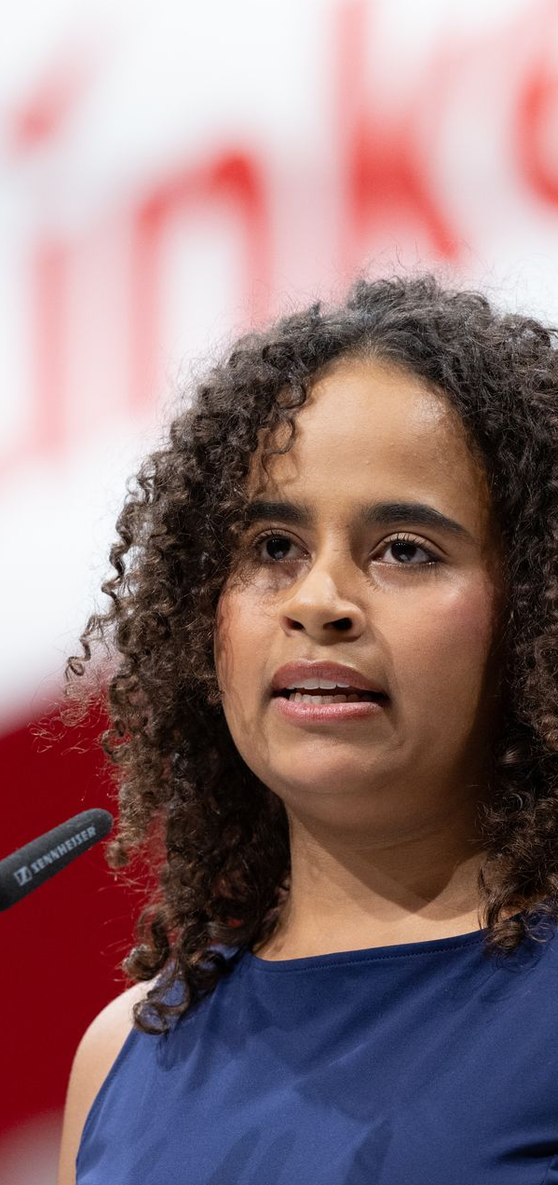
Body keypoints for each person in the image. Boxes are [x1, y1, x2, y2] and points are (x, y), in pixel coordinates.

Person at [56, 274, 558, 1184]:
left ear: (533, 611)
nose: (318, 600)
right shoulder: (122, 1059)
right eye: (272, 549)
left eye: (405, 549)